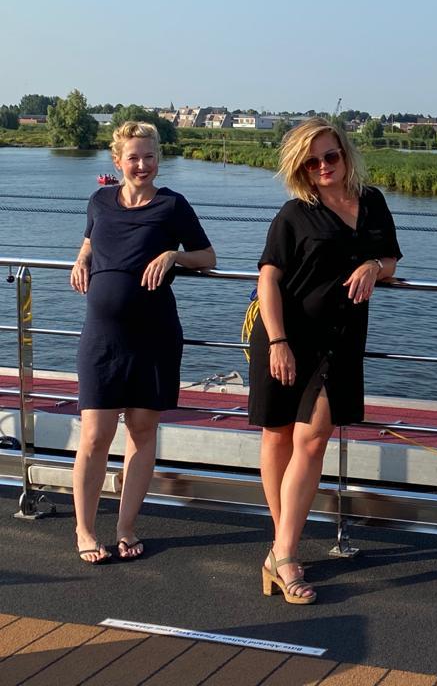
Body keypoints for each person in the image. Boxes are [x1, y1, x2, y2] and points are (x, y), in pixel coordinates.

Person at [249, 117, 401, 604]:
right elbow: (268, 279)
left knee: (311, 438)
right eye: (311, 162)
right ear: (301, 169)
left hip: (340, 340)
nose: (323, 167)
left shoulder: (371, 201)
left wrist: (373, 267)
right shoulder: (295, 213)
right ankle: (284, 549)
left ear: (345, 153)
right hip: (285, 336)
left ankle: (282, 552)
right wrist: (278, 341)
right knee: (277, 435)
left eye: (330, 156)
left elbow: (391, 258)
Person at [71, 121, 216, 564]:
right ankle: (84, 529)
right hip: (102, 337)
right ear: (117, 161)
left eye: (149, 156)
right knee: (95, 435)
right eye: (133, 157)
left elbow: (208, 257)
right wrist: (81, 259)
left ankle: (125, 526)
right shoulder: (99, 200)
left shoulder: (172, 205)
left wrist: (173, 255)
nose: (142, 165)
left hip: (154, 335)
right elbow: (90, 239)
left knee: (141, 430)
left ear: (158, 158)